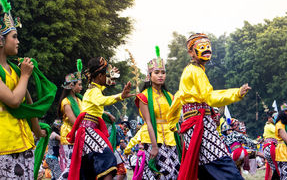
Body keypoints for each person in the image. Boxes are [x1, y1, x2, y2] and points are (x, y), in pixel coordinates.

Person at [167, 33, 251, 180]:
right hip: (200, 125)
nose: (207, 50)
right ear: (191, 52)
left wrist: (172, 123)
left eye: (208, 46)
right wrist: (236, 93)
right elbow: (210, 97)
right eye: (201, 47)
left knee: (205, 167)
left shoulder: (192, 70)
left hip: (194, 125)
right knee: (221, 161)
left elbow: (178, 97)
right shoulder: (195, 71)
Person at [0, 0, 48, 179]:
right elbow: (13, 100)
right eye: (14, 37)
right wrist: (26, 76)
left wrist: (38, 131)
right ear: (1, 40)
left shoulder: (14, 70)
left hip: (25, 143)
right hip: (4, 146)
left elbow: (28, 106)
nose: (18, 42)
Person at [67, 57, 134, 180]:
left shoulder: (94, 88)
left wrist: (112, 76)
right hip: (87, 131)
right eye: (106, 75)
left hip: (88, 131)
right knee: (108, 161)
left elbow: (104, 85)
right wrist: (121, 96)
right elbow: (103, 100)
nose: (108, 78)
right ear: (99, 76)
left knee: (90, 171)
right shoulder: (94, 92)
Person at [135, 46, 181, 179]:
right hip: (153, 139)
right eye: (156, 72)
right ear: (149, 76)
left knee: (176, 173)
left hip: (171, 139)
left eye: (163, 72)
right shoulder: (143, 96)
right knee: (165, 173)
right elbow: (148, 122)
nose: (160, 75)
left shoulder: (170, 97)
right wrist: (154, 147)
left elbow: (175, 121)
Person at [58, 61, 83, 179]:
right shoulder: (66, 102)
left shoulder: (80, 100)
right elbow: (75, 121)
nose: (81, 87)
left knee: (79, 167)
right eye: (79, 84)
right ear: (71, 86)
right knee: (69, 168)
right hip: (69, 137)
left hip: (79, 136)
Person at [262, 110, 279, 180]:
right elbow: (278, 131)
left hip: (269, 148)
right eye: (274, 117)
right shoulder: (269, 126)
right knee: (277, 168)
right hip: (270, 148)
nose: (275, 119)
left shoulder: (268, 125)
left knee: (275, 168)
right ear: (269, 118)